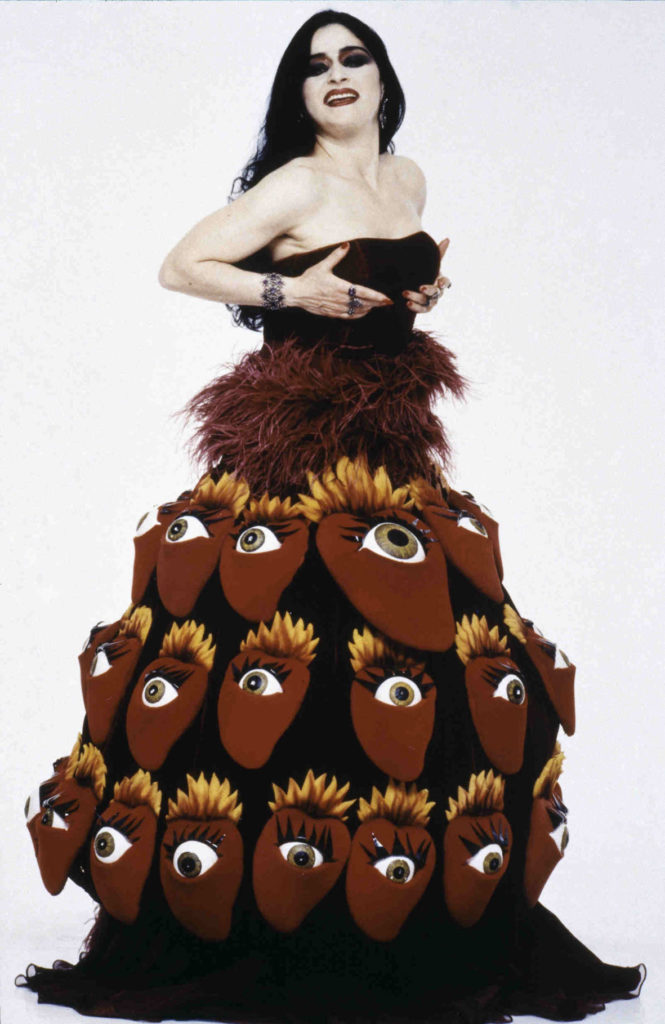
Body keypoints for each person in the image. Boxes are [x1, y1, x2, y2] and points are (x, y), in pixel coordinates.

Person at [19, 10, 645, 1023]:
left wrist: (414, 294)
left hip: (388, 447)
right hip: (297, 452)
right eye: (315, 68)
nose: (337, 76)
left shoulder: (406, 179)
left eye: (354, 59)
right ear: (298, 94)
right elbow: (181, 266)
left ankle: (412, 903)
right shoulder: (294, 185)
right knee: (285, 651)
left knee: (437, 652)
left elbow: (387, 284)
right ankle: (280, 910)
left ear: (384, 80)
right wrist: (292, 287)